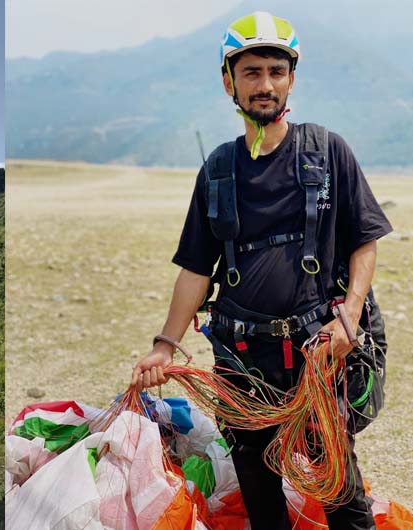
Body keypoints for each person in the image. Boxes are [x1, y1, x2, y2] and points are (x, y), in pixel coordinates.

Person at [131, 11, 390, 530]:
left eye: (276, 70)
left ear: (291, 78)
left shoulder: (326, 151)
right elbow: (195, 270)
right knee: (255, 481)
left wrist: (350, 318)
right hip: (243, 359)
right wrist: (165, 345)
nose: (265, 84)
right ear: (229, 80)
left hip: (318, 353)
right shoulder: (218, 171)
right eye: (251, 72)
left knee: (338, 483)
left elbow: (365, 239)